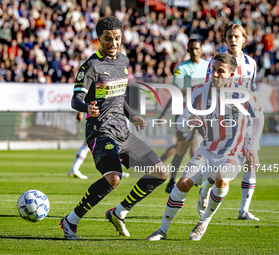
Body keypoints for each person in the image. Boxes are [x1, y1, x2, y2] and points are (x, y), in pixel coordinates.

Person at [60, 17, 168, 240]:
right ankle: (71, 220)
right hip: (100, 132)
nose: (113, 43)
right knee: (113, 177)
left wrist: (132, 116)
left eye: (117, 38)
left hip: (124, 132)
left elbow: (118, 96)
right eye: (108, 38)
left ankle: (119, 212)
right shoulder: (90, 66)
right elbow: (75, 100)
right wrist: (87, 107)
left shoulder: (123, 61)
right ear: (98, 38)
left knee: (160, 172)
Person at [146, 53, 264, 241]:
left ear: (231, 75)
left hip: (234, 152)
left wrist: (253, 146)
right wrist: (188, 124)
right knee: (183, 184)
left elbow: (259, 118)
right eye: (213, 70)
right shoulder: (199, 92)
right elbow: (182, 122)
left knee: (221, 180)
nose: (215, 74)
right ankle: (162, 230)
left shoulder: (244, 94)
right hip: (208, 149)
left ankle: (203, 222)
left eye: (220, 71)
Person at [199, 24, 259, 221]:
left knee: (251, 159)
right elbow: (210, 87)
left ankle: (243, 210)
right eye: (230, 36)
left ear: (244, 39)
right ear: (225, 40)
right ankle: (205, 189)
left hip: (245, 118)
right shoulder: (216, 62)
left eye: (237, 36)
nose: (233, 39)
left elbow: (252, 90)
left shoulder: (251, 63)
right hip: (222, 118)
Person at [159, 39, 209, 193]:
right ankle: (172, 180)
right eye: (192, 48)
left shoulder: (208, 66)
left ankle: (200, 179)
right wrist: (196, 88)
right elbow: (177, 92)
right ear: (188, 50)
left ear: (201, 50)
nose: (195, 51)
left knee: (205, 146)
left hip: (205, 112)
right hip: (186, 112)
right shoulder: (182, 68)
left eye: (197, 48)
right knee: (181, 149)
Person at [68, 112, 130, 179]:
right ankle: (114, 170)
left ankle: (74, 168)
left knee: (90, 143)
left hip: (112, 117)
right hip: (103, 117)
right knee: (111, 142)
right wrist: (80, 112)